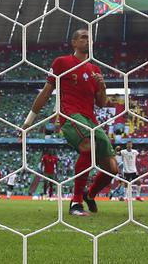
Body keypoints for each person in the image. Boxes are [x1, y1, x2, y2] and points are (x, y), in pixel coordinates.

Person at [24, 29, 119, 217]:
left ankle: (89, 194)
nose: (87, 40)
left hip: (90, 119)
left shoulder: (95, 70)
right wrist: (29, 121)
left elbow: (101, 103)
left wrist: (102, 87)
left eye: (89, 38)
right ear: (74, 42)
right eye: (83, 37)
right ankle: (75, 203)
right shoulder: (62, 63)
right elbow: (46, 92)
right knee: (88, 144)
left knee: (112, 168)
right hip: (69, 115)